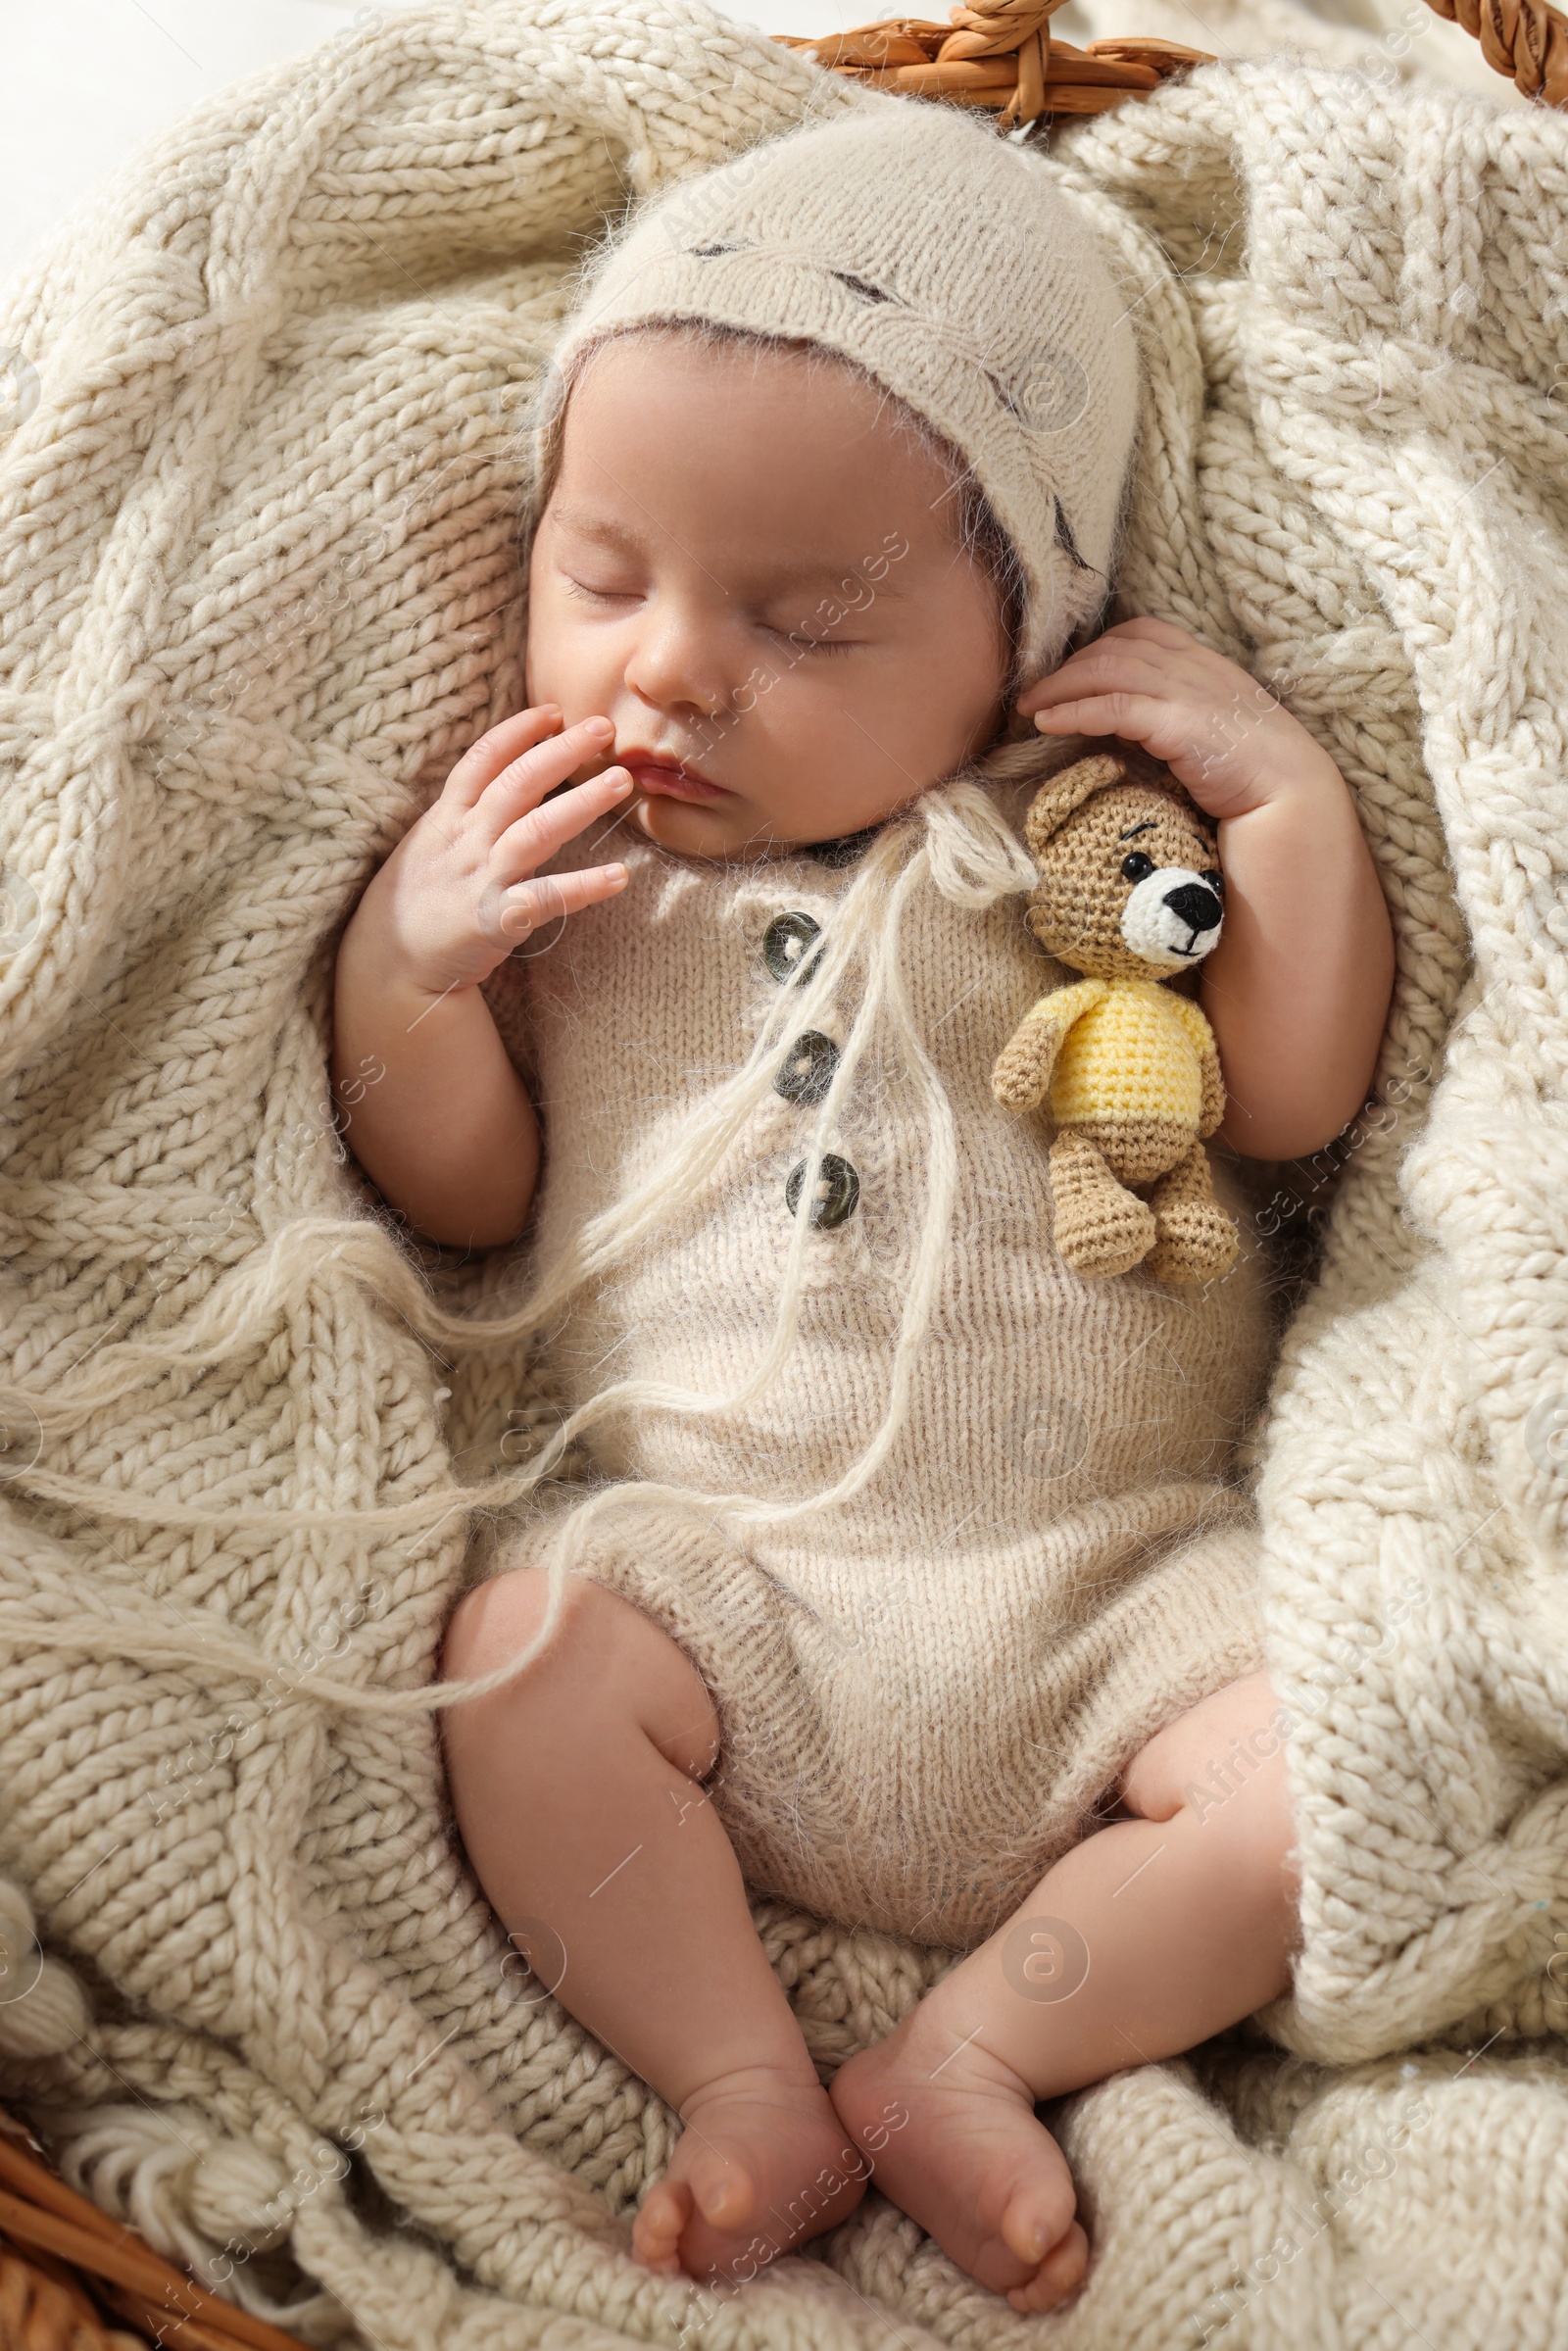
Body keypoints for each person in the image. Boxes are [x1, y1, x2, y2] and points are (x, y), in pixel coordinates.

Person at [331, 101, 1395, 2314]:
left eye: (807, 621)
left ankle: (977, 2049)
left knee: (1338, 1775)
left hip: (1102, 1599)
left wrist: (1284, 810)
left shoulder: (1075, 843)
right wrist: (408, 969)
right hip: (726, 1593)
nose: (666, 671)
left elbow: (1283, 1098)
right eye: (599, 577)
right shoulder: (583, 890)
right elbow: (466, 1186)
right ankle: (741, 2081)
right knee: (514, 1663)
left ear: (1027, 636)